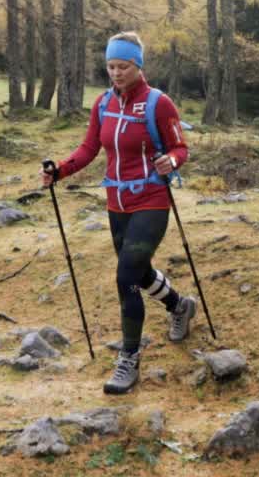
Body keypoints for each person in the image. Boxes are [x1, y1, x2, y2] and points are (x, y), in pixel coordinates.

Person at [41, 32, 196, 394]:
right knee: (138, 272)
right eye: (110, 66)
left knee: (125, 276)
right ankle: (179, 305)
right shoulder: (102, 104)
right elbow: (89, 147)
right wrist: (60, 170)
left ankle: (129, 358)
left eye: (123, 66)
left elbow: (180, 148)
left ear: (137, 65)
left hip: (152, 200)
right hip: (116, 202)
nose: (115, 73)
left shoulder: (159, 103)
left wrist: (170, 160)